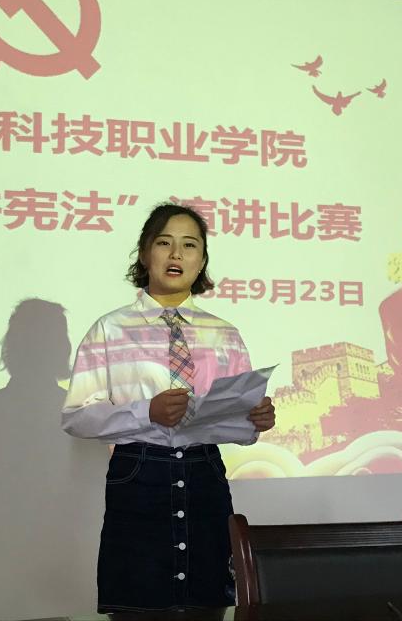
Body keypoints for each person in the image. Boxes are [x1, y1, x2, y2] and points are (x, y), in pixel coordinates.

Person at [62, 203, 275, 612]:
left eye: (189, 245)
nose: (176, 254)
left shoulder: (223, 333)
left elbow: (238, 422)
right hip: (139, 472)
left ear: (202, 260)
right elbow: (76, 417)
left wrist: (256, 419)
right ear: (145, 253)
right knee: (138, 603)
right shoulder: (110, 329)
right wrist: (147, 412)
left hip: (205, 472)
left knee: (208, 602)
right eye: (164, 243)